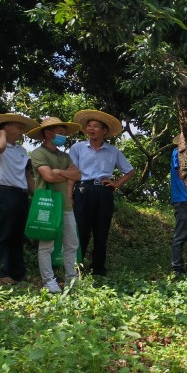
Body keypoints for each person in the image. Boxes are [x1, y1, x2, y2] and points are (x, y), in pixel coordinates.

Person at [69, 110, 134, 276]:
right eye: (89, 126)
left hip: (104, 192)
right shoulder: (77, 148)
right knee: (80, 230)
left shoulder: (113, 151)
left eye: (95, 126)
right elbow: (72, 173)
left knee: (101, 231)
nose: (91, 129)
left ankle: (98, 269)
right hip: (83, 190)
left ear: (104, 131)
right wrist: (69, 195)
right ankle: (76, 268)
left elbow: (129, 171)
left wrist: (116, 184)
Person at [28, 117, 82, 292]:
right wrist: (65, 173)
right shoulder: (38, 153)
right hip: (47, 204)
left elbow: (79, 175)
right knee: (46, 244)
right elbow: (48, 177)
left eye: (64, 134)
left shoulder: (64, 155)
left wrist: (58, 171)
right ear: (48, 133)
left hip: (65, 205)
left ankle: (71, 280)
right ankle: (48, 281)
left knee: (72, 243)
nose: (63, 136)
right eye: (60, 133)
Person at [0, 112, 38, 284]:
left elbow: (27, 176)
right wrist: (1, 135)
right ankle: (1, 273)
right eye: (19, 126)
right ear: (7, 127)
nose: (21, 130)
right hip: (4, 194)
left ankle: (17, 273)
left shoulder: (22, 151)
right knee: (2, 234)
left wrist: (36, 194)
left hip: (21, 196)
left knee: (17, 236)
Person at [170, 134, 187, 276]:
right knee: (180, 235)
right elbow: (181, 174)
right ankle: (177, 268)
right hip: (183, 198)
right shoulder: (177, 152)